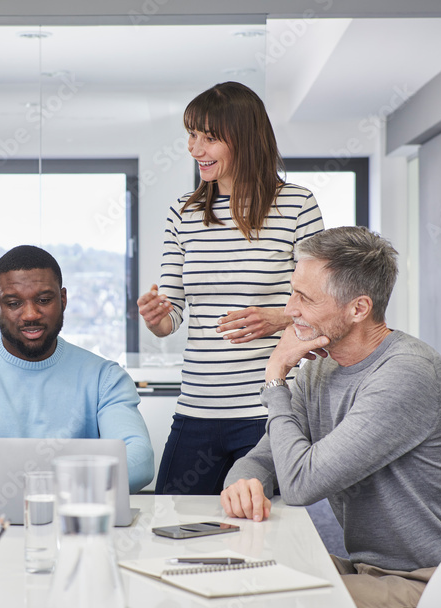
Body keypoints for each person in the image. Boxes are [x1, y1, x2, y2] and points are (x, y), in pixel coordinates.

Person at [220, 226, 441, 608]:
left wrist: (275, 379)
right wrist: (242, 482)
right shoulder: (323, 371)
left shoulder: (406, 374)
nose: (290, 310)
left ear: (359, 307)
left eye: (305, 298)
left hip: (438, 584)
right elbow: (263, 459)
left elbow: (302, 484)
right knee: (238, 580)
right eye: (293, 293)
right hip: (370, 572)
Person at [137, 81, 325, 495]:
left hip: (267, 410)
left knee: (259, 533)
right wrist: (156, 317)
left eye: (209, 137)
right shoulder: (182, 213)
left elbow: (325, 304)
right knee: (174, 523)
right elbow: (171, 318)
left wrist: (277, 317)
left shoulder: (296, 205)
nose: (194, 148)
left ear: (244, 138)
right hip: (196, 408)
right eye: (191, 135)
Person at [0, 245, 154, 495]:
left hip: (73, 526)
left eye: (44, 300)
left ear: (63, 299)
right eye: (13, 303)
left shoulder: (104, 377)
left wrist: (49, 485)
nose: (31, 314)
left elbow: (140, 461)